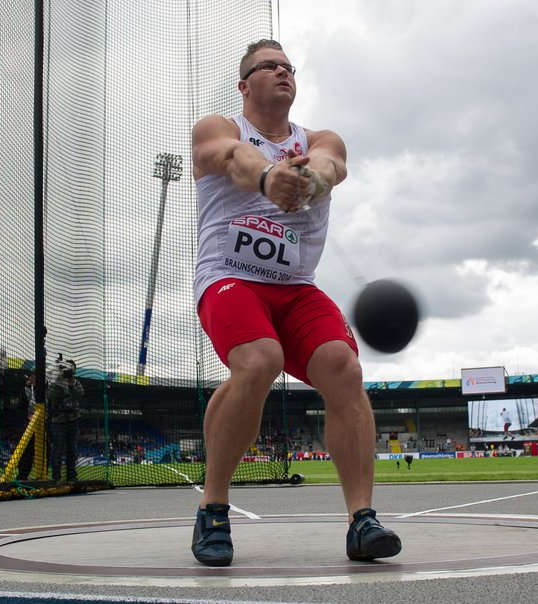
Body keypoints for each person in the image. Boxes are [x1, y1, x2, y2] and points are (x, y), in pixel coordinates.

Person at [189, 39, 401, 567]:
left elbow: (332, 164)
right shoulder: (220, 128)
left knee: (343, 367)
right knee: (261, 360)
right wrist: (267, 177)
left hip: (296, 288)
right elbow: (231, 158)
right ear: (244, 84)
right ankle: (213, 508)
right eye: (269, 66)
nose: (283, 72)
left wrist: (313, 178)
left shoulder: (318, 138)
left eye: (288, 67)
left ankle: (362, 520)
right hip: (229, 278)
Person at [48, 358, 83, 482]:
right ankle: (56, 477)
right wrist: (59, 383)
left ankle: (71, 476)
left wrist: (71, 384)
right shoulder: (55, 382)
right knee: (57, 448)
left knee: (72, 449)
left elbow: (79, 394)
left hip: (73, 419)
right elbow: (52, 397)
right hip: (58, 420)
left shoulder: (75, 383)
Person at [16, 371, 37, 480]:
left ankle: (41, 474)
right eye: (34, 375)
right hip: (28, 424)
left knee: (44, 450)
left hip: (43, 423)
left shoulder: (47, 390)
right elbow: (20, 409)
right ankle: (22, 476)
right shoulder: (26, 390)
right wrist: (27, 416)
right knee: (26, 452)